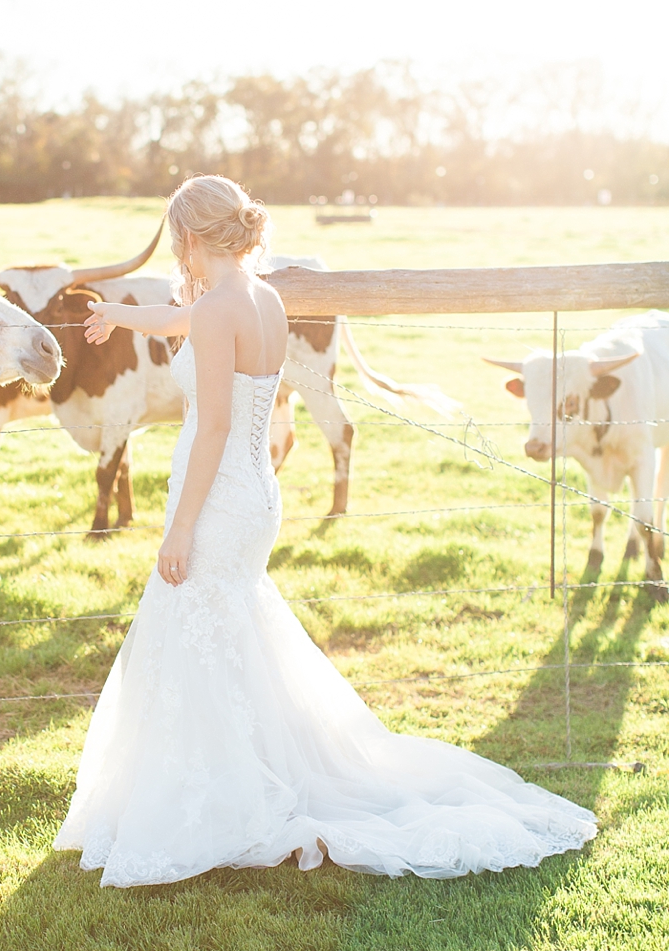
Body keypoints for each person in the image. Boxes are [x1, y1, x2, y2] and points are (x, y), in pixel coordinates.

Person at [53, 173, 595, 888]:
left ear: (188, 238)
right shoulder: (264, 298)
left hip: (216, 497)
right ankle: (238, 776)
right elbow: (189, 326)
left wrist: (179, 525)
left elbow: (212, 421)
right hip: (256, 493)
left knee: (194, 626)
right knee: (231, 631)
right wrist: (124, 315)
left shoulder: (218, 309)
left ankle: (219, 798)